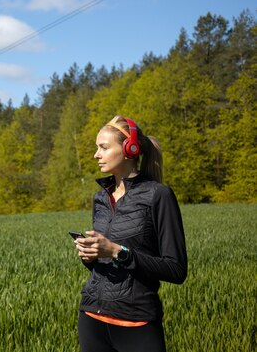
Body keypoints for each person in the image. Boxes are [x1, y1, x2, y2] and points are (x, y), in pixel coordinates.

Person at [74, 115, 187, 352]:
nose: (96, 155)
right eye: (97, 148)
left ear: (129, 149)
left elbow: (176, 269)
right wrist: (91, 255)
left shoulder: (159, 196)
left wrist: (117, 251)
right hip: (91, 319)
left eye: (103, 147)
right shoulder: (100, 198)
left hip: (137, 323)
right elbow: (103, 260)